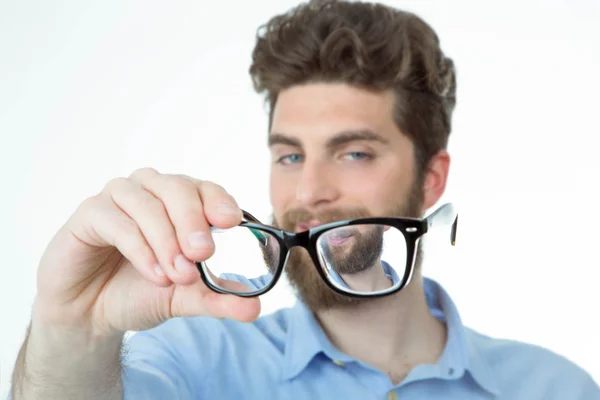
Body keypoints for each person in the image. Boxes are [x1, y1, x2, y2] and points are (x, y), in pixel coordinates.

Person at [9, 0, 599, 399]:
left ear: (430, 180)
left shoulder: (556, 389)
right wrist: (72, 330)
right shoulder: (193, 362)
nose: (309, 192)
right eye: (290, 155)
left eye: (354, 153)